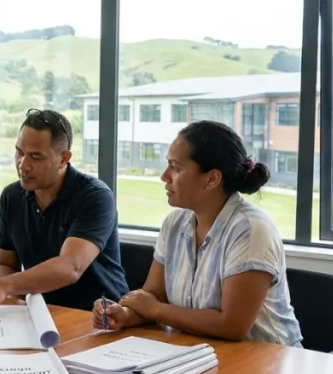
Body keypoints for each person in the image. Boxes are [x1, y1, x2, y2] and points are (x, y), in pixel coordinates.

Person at [92, 120, 303, 346]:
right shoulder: (174, 223)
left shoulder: (251, 230)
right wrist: (125, 314)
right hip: (199, 354)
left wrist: (154, 309)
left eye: (175, 167)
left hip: (267, 364)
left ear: (211, 178)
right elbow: (153, 297)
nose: (164, 176)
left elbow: (232, 326)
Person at [0, 109, 129, 315]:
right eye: (19, 152)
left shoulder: (96, 196)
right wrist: (15, 301)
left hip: (97, 317)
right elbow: (5, 263)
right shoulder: (11, 196)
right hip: (41, 313)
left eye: (35, 156)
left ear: (64, 158)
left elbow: (70, 267)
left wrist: (3, 286)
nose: (23, 165)